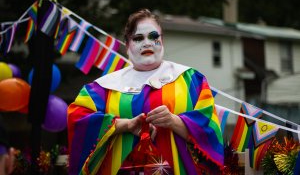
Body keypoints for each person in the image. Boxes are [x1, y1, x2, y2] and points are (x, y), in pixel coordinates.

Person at [68, 9, 224, 174]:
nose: (147, 43)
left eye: (153, 36)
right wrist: (124, 125)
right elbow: (78, 118)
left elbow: (210, 130)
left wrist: (173, 121)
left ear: (162, 40)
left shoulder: (192, 80)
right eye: (138, 38)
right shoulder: (103, 88)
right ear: (127, 45)